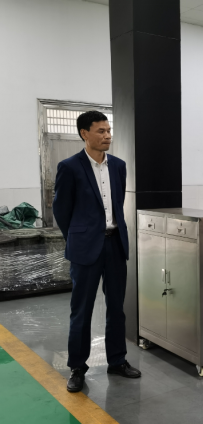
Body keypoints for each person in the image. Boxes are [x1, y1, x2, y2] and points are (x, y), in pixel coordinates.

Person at [53, 111, 141, 393]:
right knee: (82, 309)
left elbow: (117, 203)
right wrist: (78, 238)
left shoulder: (118, 166)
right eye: (101, 131)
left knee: (117, 307)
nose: (107, 136)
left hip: (115, 244)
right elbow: (61, 210)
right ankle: (78, 367)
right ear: (84, 134)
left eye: (109, 130)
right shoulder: (70, 167)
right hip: (85, 248)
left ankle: (117, 360)